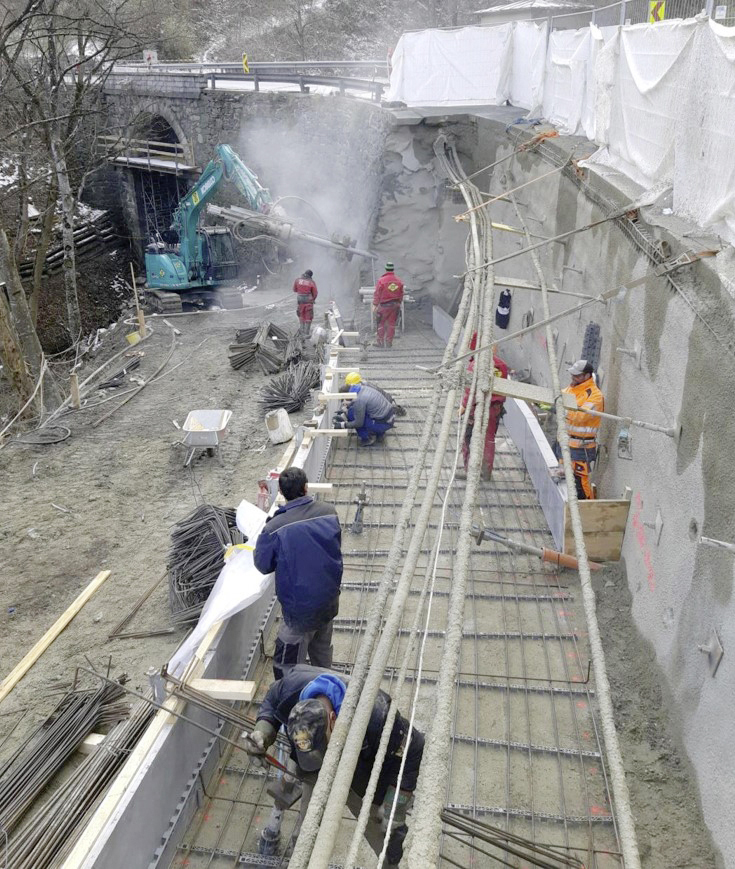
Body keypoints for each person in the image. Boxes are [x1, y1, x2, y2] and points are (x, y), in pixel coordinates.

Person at [246, 664, 424, 867]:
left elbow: (415, 746)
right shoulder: (291, 689)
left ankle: (392, 864)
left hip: (361, 771)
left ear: (333, 719)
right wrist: (263, 730)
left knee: (387, 834)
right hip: (314, 769)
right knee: (307, 833)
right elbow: (272, 698)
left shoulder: (377, 715)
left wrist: (398, 800)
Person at [254, 468, 342, 679]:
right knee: (322, 652)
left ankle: (292, 702)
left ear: (282, 494)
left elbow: (263, 565)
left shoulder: (274, 528)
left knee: (287, 666)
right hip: (329, 600)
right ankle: (326, 694)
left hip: (299, 612)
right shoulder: (329, 512)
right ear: (305, 488)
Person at [459, 333, 509, 481]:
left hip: (476, 407)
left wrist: (463, 407)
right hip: (495, 408)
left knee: (468, 438)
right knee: (488, 440)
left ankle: (470, 472)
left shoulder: (475, 365)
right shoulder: (502, 365)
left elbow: (470, 390)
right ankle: (486, 472)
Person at [558, 359, 604, 500]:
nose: (573, 377)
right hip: (566, 443)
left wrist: (559, 409)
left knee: (580, 483)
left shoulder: (595, 396)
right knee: (565, 478)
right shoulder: (571, 389)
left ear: (587, 375)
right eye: (573, 374)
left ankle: (586, 509)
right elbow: (558, 398)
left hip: (581, 447)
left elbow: (580, 417)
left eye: (577, 375)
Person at [333, 371, 395, 446]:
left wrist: (342, 425)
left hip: (384, 423)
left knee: (352, 415)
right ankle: (380, 434)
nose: (344, 402)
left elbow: (358, 423)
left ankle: (367, 439)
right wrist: (344, 413)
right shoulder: (362, 388)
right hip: (389, 417)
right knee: (355, 411)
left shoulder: (359, 400)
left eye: (344, 399)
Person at [372, 262, 404, 348]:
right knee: (391, 324)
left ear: (386, 269)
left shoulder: (381, 280)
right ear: (393, 269)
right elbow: (401, 294)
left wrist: (375, 304)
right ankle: (389, 342)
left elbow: (377, 293)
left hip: (384, 306)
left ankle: (380, 342)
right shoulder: (399, 281)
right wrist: (399, 303)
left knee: (381, 323)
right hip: (395, 305)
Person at [293, 269, 317, 337]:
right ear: (310, 276)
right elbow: (315, 293)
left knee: (301, 315)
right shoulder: (311, 282)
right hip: (308, 302)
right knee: (308, 317)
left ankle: (301, 331)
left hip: (300, 301)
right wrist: (313, 299)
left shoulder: (297, 280)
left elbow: (294, 290)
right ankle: (306, 333)